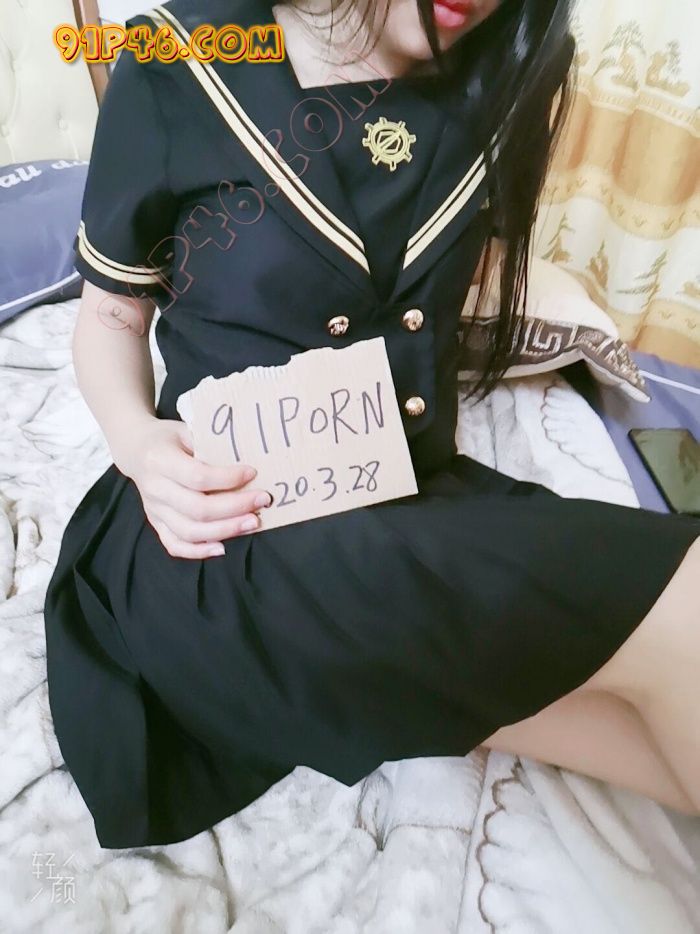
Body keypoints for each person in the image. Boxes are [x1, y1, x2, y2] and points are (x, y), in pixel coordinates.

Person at [44, 0, 700, 850]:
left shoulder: (507, 81)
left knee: (666, 705)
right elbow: (111, 316)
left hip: (400, 499)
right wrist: (138, 445)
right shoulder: (180, 60)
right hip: (224, 536)